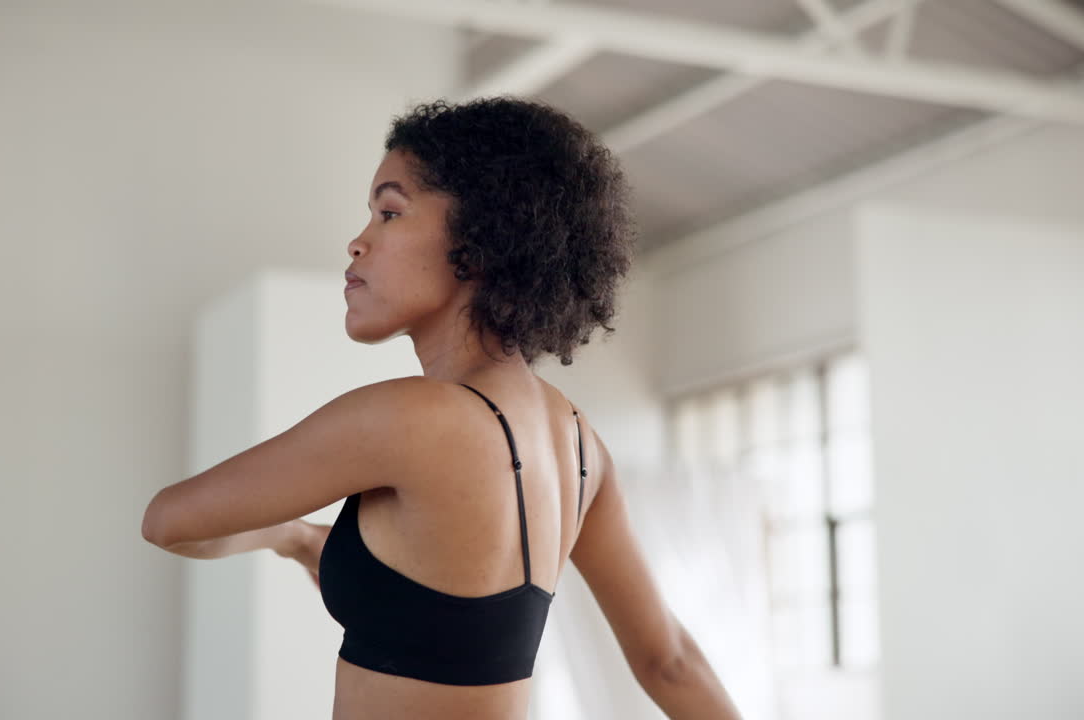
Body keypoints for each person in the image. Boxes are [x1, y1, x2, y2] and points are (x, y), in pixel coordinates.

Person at [142, 96, 743, 720]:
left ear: (481, 240)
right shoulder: (579, 444)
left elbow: (168, 520)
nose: (357, 242)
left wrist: (285, 529)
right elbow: (668, 663)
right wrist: (297, 538)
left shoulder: (411, 417)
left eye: (390, 213)